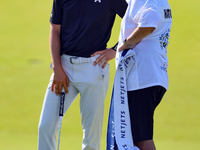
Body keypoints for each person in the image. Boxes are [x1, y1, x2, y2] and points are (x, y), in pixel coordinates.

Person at [38, 0, 128, 150]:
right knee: (46, 126)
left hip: (94, 68)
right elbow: (54, 30)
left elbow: (136, 21)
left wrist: (115, 50)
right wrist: (57, 69)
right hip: (64, 68)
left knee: (91, 137)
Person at [108, 0, 172, 150]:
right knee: (135, 138)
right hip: (154, 75)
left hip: (140, 77)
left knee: (142, 139)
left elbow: (150, 19)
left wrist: (126, 44)